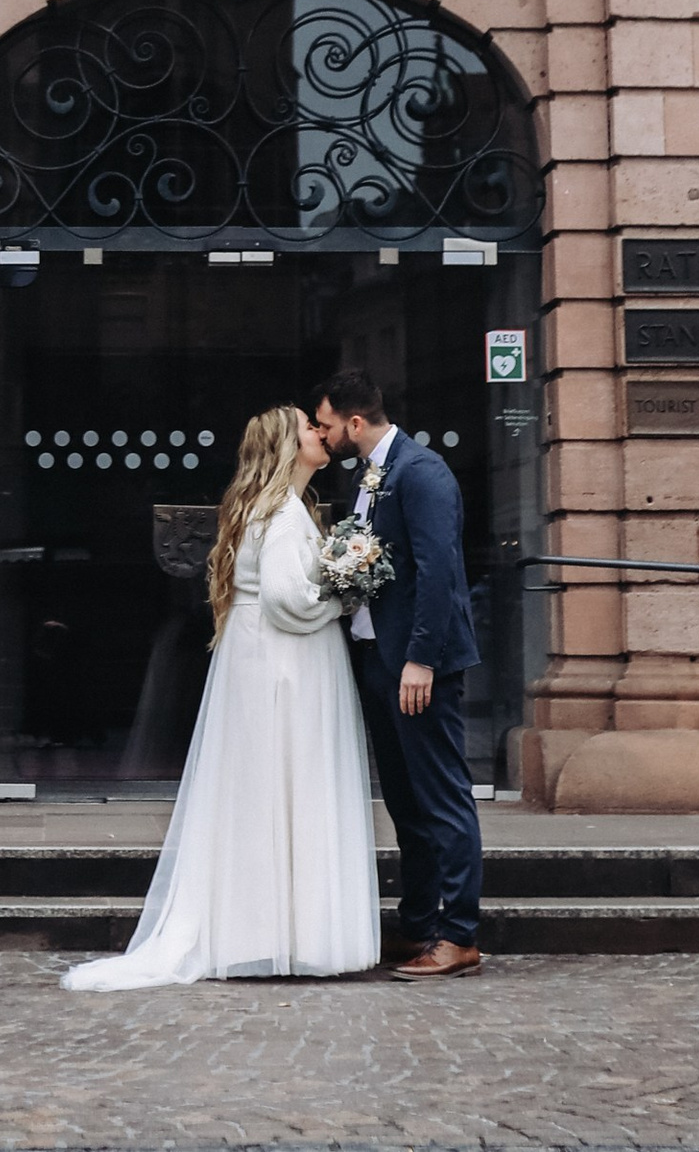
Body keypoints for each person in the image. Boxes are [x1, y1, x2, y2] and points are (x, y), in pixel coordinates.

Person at [61, 404, 379, 989]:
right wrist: (345, 599)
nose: (320, 432)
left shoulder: (268, 509)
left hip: (261, 658)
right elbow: (289, 600)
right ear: (288, 445)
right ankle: (288, 933)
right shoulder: (284, 515)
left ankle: (262, 931)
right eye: (309, 427)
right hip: (287, 664)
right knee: (289, 785)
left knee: (261, 793)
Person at [312, 367, 484, 980]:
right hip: (381, 661)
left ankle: (460, 934)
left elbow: (440, 572)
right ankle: (418, 926)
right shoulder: (371, 474)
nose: (322, 434)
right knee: (407, 803)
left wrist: (422, 659)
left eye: (327, 424)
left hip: (417, 666)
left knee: (442, 797)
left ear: (355, 422)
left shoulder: (421, 471)